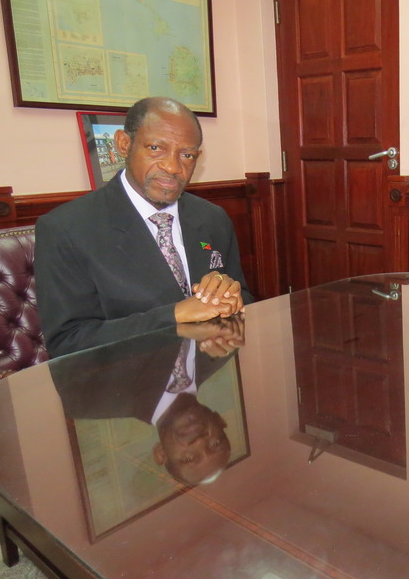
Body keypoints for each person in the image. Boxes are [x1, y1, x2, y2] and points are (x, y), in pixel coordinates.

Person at [35, 97, 253, 357]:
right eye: (156, 148)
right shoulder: (66, 229)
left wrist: (230, 297)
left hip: (204, 383)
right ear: (124, 144)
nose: (173, 167)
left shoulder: (213, 218)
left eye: (187, 155)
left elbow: (246, 303)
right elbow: (69, 341)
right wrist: (174, 314)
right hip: (122, 388)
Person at [51, 318, 245, 485]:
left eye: (188, 458)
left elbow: (69, 339)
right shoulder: (225, 347)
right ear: (220, 421)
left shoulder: (89, 399)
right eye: (214, 443)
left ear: (161, 453)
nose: (200, 441)